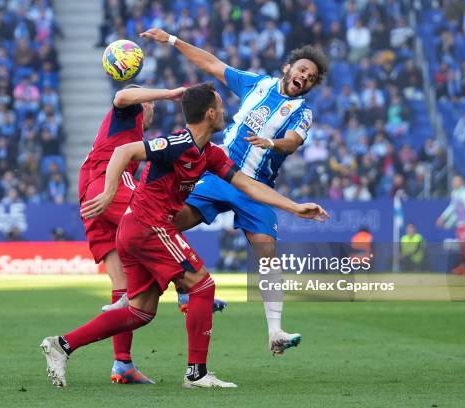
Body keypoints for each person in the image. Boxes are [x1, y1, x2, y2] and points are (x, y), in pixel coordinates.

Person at [41, 83, 329, 388]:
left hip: (138, 230)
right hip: (148, 226)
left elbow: (246, 184)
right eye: (220, 107)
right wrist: (111, 189)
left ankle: (62, 345)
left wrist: (294, 207)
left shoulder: (209, 153)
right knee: (203, 286)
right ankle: (197, 373)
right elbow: (125, 150)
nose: (224, 112)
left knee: (140, 311)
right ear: (210, 113)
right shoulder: (178, 143)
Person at [140, 27, 329, 355]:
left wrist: (271, 142)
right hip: (218, 173)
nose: (305, 77)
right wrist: (172, 40)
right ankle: (155, 291)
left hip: (256, 187)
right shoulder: (258, 84)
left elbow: (294, 143)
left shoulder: (303, 113)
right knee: (168, 224)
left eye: (311, 77)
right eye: (302, 70)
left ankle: (275, 332)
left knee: (266, 253)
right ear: (288, 68)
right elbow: (212, 64)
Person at [73, 84, 185, 384]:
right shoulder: (128, 112)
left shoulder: (131, 133)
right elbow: (122, 95)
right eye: (151, 104)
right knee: (152, 217)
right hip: (104, 184)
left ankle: (122, 363)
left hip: (88, 194)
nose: (153, 110)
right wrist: (167, 93)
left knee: (123, 286)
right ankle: (186, 285)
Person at [436, 176, 465, 274]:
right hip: (460, 224)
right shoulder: (455, 193)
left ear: (461, 182)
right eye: (453, 181)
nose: (453, 183)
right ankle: (464, 266)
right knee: (462, 247)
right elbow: (452, 207)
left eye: (456, 181)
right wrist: (443, 217)